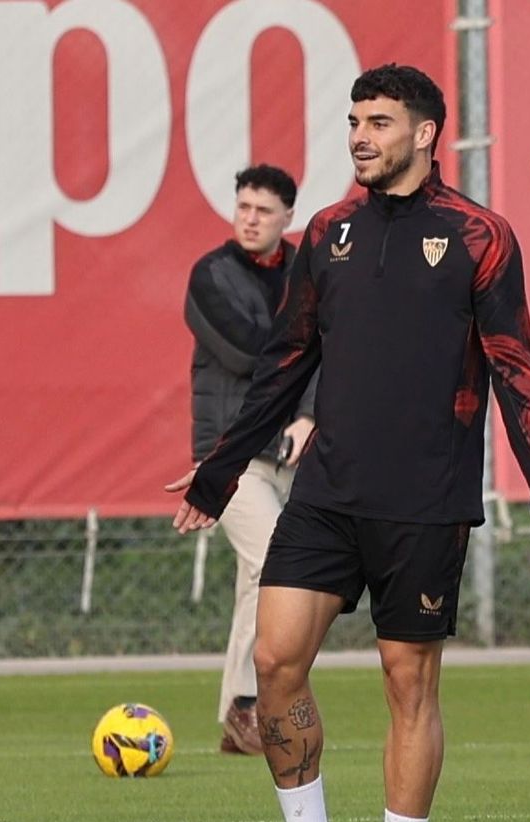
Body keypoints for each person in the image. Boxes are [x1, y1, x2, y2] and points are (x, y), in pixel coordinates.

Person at [169, 64, 530, 822]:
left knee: (408, 683)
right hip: (326, 492)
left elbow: (516, 370)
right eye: (355, 120)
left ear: (425, 134)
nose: (361, 135)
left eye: (380, 121)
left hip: (426, 498)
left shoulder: (480, 235)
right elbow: (284, 365)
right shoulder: (326, 233)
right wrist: (218, 471)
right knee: (276, 659)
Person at [185, 163, 316, 756]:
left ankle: (245, 713)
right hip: (230, 458)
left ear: (288, 216)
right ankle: (252, 706)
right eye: (243, 207)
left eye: (263, 210)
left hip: (291, 455)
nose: (250, 218)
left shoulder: (303, 272)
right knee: (274, 559)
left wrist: (310, 412)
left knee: (259, 578)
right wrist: (306, 346)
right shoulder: (210, 275)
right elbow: (245, 353)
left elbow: (329, 348)